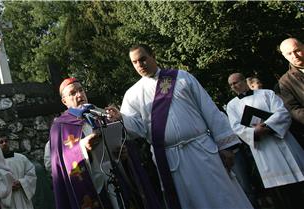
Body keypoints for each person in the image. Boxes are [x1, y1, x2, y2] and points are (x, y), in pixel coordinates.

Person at [107, 44, 253, 209]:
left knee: (223, 197)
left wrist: (225, 145)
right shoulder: (132, 94)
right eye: (135, 62)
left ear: (153, 55)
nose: (140, 65)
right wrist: (121, 118)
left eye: (143, 59)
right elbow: (137, 130)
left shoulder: (181, 77)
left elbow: (209, 110)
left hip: (203, 150)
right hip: (170, 159)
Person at [226, 72, 304, 209]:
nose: (234, 86)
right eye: (231, 85)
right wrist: (254, 132)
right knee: (282, 194)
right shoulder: (232, 105)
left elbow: (282, 112)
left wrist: (268, 126)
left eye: (236, 82)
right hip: (264, 149)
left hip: (283, 140)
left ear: (245, 81)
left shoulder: (266, 94)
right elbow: (235, 128)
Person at [45, 77, 115, 209]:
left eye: (81, 90)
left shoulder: (101, 114)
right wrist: (82, 148)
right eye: (72, 93)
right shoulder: (59, 127)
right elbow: (51, 163)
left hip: (113, 180)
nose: (79, 95)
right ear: (64, 101)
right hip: (90, 186)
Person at [0, 136, 37, 209]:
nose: (4, 143)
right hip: (6, 199)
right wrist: (7, 186)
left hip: (21, 196)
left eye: (6, 141)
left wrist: (21, 182)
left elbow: (31, 174)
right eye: (1, 142)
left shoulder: (21, 158)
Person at [278, 37, 304, 148]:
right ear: (284, 56)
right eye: (289, 54)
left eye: (297, 50)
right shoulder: (285, 82)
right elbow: (293, 109)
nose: (294, 56)